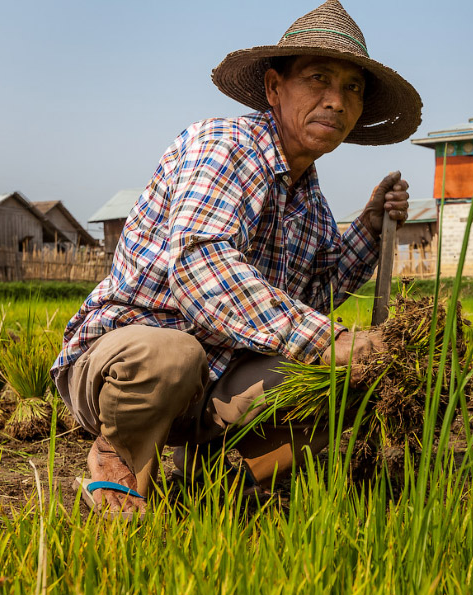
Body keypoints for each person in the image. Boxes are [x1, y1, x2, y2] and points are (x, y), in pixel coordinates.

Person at [51, 0, 422, 515]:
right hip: (131, 363)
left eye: (352, 88)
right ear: (274, 88)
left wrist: (368, 228)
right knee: (173, 355)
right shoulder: (224, 146)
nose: (336, 101)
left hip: (221, 375)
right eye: (319, 79)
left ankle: (219, 480)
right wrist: (331, 340)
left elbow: (313, 295)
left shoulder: (309, 197)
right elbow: (204, 269)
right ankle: (121, 456)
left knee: (342, 380)